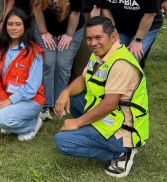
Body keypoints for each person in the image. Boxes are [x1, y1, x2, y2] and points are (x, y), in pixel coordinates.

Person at [54, 16, 149, 178]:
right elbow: (84, 79)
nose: (93, 43)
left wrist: (77, 123)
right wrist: (66, 92)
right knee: (75, 99)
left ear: (113, 37)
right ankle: (92, 132)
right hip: (110, 116)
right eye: (89, 38)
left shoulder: (121, 63)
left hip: (123, 128)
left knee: (62, 142)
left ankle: (121, 153)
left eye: (98, 37)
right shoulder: (100, 53)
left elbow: (110, 104)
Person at [32, 0, 85, 121]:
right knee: (48, 63)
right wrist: (44, 32)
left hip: (70, 29)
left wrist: (69, 35)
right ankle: (46, 104)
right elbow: (37, 8)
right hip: (45, 28)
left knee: (62, 65)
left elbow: (76, 13)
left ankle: (60, 102)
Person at [0, 8, 45, 141]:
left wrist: (10, 101)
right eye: (10, 24)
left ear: (25, 26)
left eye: (18, 24)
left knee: (1, 118)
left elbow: (31, 88)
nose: (13, 28)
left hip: (30, 99)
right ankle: (11, 122)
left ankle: (33, 124)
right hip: (5, 96)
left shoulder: (34, 52)